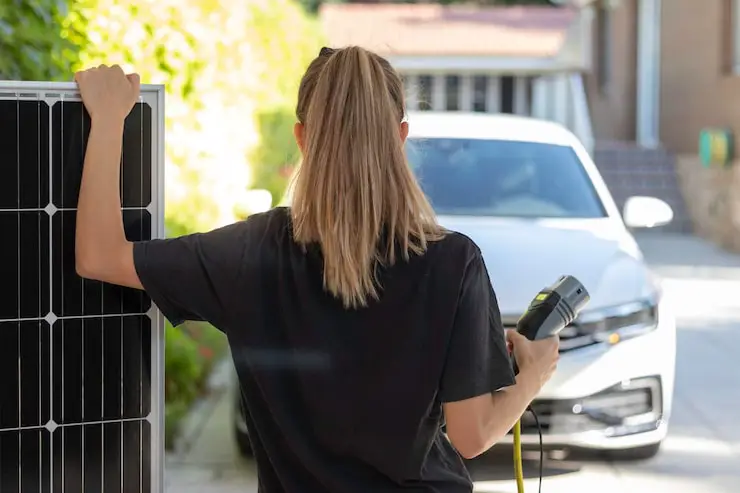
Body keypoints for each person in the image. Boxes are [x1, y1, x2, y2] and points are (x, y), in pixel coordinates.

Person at [74, 46, 559, 493]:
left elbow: (98, 255)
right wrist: (532, 376)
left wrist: (111, 119)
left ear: (302, 138)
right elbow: (472, 435)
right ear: (400, 136)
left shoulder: (250, 252)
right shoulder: (454, 261)